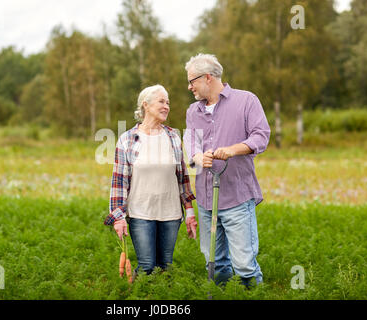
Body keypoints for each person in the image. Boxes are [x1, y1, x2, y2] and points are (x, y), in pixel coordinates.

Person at [183, 53, 270, 288]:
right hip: (205, 200)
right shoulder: (193, 111)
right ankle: (223, 293)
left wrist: (231, 150)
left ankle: (253, 293)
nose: (189, 87)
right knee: (215, 262)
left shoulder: (246, 101)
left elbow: (261, 136)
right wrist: (197, 156)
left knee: (244, 264)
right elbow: (191, 141)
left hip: (236, 198)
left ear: (208, 77)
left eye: (192, 81)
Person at [104, 84, 197, 276]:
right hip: (140, 212)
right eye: (161, 101)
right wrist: (118, 216)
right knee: (146, 266)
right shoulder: (128, 139)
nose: (166, 106)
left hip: (170, 214)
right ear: (145, 105)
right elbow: (119, 182)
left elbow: (182, 178)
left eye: (168, 102)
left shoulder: (172, 137)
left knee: (165, 267)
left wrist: (189, 212)